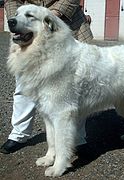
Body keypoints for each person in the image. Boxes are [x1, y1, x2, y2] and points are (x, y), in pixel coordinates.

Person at [0, 0, 93, 154]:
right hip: (29, 28)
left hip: (67, 26)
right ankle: (19, 134)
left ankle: (77, 138)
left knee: (75, 88)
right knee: (23, 88)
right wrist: (17, 20)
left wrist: (50, 16)